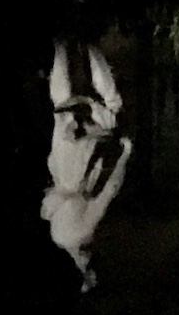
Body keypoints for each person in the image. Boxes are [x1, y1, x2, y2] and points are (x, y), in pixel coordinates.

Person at [42, 41, 132, 292]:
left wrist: (125, 155)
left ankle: (90, 46)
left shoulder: (82, 232)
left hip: (77, 167)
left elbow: (108, 192)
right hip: (61, 168)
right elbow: (48, 205)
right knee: (62, 106)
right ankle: (61, 44)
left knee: (112, 110)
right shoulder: (57, 237)